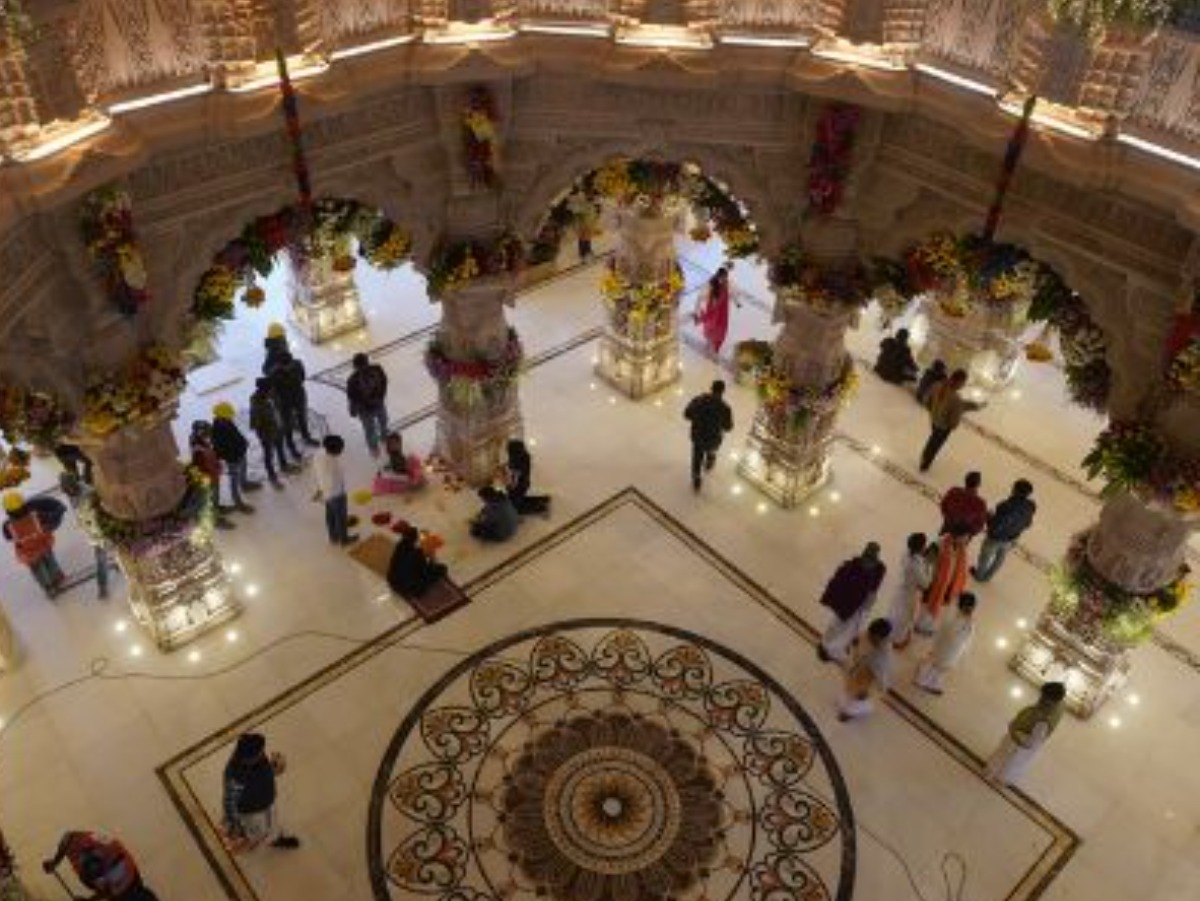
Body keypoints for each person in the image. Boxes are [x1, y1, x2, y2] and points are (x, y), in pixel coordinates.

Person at [222, 732, 300, 851]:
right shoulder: (235, 777)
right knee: (259, 831)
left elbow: (262, 774)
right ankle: (246, 842)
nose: (263, 753)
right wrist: (233, 823)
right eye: (260, 751)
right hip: (253, 811)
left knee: (269, 825)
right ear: (249, 758)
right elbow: (229, 802)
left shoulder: (255, 758)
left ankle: (270, 838)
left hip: (265, 803)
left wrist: (274, 767)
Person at [985, 682, 1067, 786]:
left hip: (1021, 740)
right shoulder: (1060, 703)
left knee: (1008, 758)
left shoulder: (1044, 722)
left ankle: (994, 775)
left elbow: (1030, 743)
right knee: (1011, 759)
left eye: (1044, 697)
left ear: (1051, 700)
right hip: (1025, 732)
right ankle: (998, 775)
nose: (1040, 698)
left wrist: (1013, 733)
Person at [818, 542, 887, 663]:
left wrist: (867, 606)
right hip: (847, 605)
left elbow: (873, 589)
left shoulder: (878, 569)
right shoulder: (852, 567)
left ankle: (832, 646)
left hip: (860, 606)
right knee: (839, 626)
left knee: (848, 628)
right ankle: (831, 649)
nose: (868, 564)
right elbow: (838, 583)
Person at [42, 830, 160, 900]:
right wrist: (55, 862)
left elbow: (107, 891)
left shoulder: (115, 876)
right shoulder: (83, 841)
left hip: (126, 886)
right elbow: (68, 837)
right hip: (127, 879)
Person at [60, 472, 115, 598]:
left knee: (107, 555)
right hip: (94, 534)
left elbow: (101, 512)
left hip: (104, 530)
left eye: (69, 491)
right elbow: (80, 513)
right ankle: (103, 587)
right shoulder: (73, 494)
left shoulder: (90, 493)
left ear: (74, 486)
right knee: (101, 559)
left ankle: (104, 586)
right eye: (67, 492)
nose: (69, 494)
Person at [919, 369, 983, 472]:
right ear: (959, 382)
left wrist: (932, 410)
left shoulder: (937, 385)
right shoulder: (956, 398)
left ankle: (925, 456)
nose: (963, 385)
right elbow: (954, 419)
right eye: (963, 383)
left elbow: (926, 400)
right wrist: (952, 426)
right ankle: (925, 463)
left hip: (934, 419)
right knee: (935, 444)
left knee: (933, 438)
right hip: (943, 427)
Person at [3, 491, 64, 598]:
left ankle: (49, 588)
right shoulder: (36, 515)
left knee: (37, 569)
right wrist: (60, 509)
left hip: (28, 552)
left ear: (7, 511)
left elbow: (8, 537)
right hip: (43, 544)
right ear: (24, 505)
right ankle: (57, 577)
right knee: (50, 561)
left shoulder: (7, 525)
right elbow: (51, 517)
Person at [973, 479, 1037, 582]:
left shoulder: (1005, 506)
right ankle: (988, 577)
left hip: (996, 538)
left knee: (985, 557)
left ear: (1015, 490)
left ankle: (979, 575)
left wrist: (988, 517)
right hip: (1012, 538)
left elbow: (994, 525)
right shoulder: (1030, 506)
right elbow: (1028, 524)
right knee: (1000, 559)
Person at [914, 592, 977, 695]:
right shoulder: (961, 619)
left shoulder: (961, 616)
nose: (972, 609)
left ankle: (929, 681)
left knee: (938, 665)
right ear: (967, 607)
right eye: (971, 607)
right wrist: (968, 625)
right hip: (949, 648)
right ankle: (923, 682)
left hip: (948, 647)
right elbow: (954, 635)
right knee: (938, 666)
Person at [916, 526, 971, 636]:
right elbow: (928, 562)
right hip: (935, 583)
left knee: (938, 605)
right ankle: (920, 626)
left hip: (948, 584)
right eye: (965, 537)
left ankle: (928, 625)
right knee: (927, 606)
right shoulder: (939, 543)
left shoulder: (961, 547)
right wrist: (930, 579)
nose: (967, 540)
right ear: (957, 535)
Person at [837, 618, 894, 722]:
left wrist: (878, 686)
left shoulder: (885, 653)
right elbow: (856, 641)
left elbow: (882, 672)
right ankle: (849, 703)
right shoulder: (865, 634)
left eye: (875, 638)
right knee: (850, 687)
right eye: (871, 636)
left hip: (871, 675)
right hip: (858, 667)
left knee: (860, 695)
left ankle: (852, 712)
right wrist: (852, 646)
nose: (871, 639)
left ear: (883, 638)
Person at [249, 377, 300, 488]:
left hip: (278, 428)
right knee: (269, 455)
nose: (272, 390)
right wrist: (264, 430)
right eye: (270, 388)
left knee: (280, 448)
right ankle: (272, 477)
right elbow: (254, 424)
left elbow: (278, 407)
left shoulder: (271, 395)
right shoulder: (256, 404)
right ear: (264, 389)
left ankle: (284, 466)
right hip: (267, 434)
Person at [886, 533, 934, 650]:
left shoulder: (906, 554)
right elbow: (926, 583)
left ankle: (889, 633)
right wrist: (929, 566)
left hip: (901, 589)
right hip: (910, 594)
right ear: (922, 547)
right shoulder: (916, 565)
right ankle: (898, 640)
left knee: (894, 611)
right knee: (905, 618)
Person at [683, 380, 733, 491]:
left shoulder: (699, 400)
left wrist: (697, 419)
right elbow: (728, 427)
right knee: (711, 450)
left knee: (697, 457)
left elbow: (686, 414)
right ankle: (709, 461)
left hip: (698, 435)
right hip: (714, 438)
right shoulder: (725, 408)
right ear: (723, 391)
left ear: (711, 388)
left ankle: (696, 477)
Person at [211, 402, 260, 512]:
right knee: (234, 481)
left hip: (240, 453)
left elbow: (236, 434)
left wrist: (243, 442)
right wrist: (230, 456)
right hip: (233, 458)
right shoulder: (217, 430)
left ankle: (244, 483)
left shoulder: (227, 421)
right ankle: (239, 503)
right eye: (228, 415)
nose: (230, 417)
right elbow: (220, 449)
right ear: (221, 415)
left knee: (243, 469)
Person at [268, 350, 319, 448]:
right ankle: (290, 443)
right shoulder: (273, 373)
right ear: (279, 364)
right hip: (284, 401)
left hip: (299, 396)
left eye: (289, 364)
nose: (288, 368)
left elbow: (302, 377)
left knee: (302, 418)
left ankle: (306, 437)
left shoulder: (298, 364)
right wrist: (277, 404)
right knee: (287, 424)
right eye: (285, 366)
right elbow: (273, 392)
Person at [189, 421, 235, 529]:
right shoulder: (198, 447)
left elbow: (211, 455)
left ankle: (216, 509)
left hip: (212, 474)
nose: (209, 435)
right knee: (210, 498)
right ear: (200, 432)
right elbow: (203, 464)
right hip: (206, 476)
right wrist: (214, 471)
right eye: (207, 432)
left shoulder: (202, 442)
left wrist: (217, 466)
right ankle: (214, 519)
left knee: (214, 495)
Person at [312, 435, 357, 546]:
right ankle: (344, 540)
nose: (341, 451)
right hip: (336, 495)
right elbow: (334, 482)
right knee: (340, 518)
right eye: (340, 449)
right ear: (334, 450)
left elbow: (316, 474)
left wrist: (318, 491)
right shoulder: (332, 464)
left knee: (330, 517)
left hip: (326, 495)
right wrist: (341, 494)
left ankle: (333, 537)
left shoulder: (318, 454)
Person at [387, 524, 448, 599]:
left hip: (392, 580)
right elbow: (425, 572)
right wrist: (432, 556)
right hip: (408, 588)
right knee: (442, 569)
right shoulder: (418, 555)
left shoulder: (400, 546)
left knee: (409, 570)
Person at [347, 352, 390, 458]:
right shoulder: (352, 380)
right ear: (356, 367)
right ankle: (373, 447)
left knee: (383, 421)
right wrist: (355, 409)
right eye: (360, 367)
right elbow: (352, 397)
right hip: (365, 410)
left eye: (365, 365)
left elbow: (384, 382)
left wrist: (380, 398)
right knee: (370, 430)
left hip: (379, 403)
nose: (363, 368)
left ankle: (384, 438)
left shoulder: (377, 369)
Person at [694, 267, 736, 357]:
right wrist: (701, 306)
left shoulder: (726, 284)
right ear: (718, 276)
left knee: (720, 329)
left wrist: (736, 301)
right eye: (722, 277)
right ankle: (710, 341)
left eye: (725, 277)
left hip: (722, 311)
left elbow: (731, 292)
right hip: (713, 310)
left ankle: (716, 345)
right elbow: (703, 296)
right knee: (710, 326)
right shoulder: (711, 284)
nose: (724, 279)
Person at [506, 439, 550, 516]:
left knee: (516, 504)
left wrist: (512, 485)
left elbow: (517, 473)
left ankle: (541, 508)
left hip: (519, 484)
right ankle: (543, 500)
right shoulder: (525, 455)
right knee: (518, 499)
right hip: (524, 482)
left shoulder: (515, 459)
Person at [940, 471, 988, 540]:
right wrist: (970, 533)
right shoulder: (980, 503)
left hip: (947, 527)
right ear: (978, 485)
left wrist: (948, 518)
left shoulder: (954, 491)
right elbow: (979, 524)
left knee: (939, 546)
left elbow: (944, 505)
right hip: (963, 536)